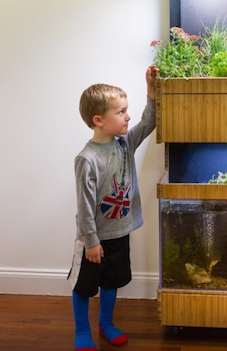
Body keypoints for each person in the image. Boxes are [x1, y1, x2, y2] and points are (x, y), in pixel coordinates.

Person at [67, 65, 159, 350]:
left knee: (112, 281)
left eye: (126, 110)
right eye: (120, 112)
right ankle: (82, 330)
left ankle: (105, 322)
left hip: (119, 231)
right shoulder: (87, 159)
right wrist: (91, 241)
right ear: (99, 120)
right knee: (84, 286)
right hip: (94, 240)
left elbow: (148, 122)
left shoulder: (124, 144)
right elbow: (84, 206)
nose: (127, 116)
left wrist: (151, 93)